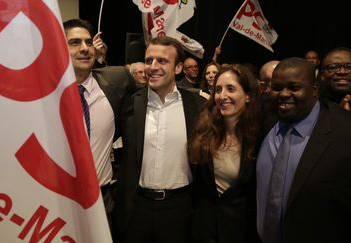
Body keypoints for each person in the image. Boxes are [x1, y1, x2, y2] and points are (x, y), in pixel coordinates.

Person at [113, 36, 201, 243]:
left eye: (162, 61)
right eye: (148, 60)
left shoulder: (196, 106)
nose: (152, 67)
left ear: (178, 68)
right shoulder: (129, 105)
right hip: (137, 209)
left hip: (179, 209)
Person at [257, 57, 351, 243]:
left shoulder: (344, 132)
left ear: (315, 89)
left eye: (294, 87)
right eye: (276, 88)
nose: (283, 94)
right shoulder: (264, 117)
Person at [62, 18, 133, 230]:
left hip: (102, 200)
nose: (84, 48)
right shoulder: (42, 98)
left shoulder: (116, 81)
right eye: (74, 42)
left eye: (88, 42)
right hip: (58, 201)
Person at [188, 64, 262, 243]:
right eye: (218, 90)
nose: (222, 96)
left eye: (231, 89)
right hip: (203, 230)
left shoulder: (261, 136)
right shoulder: (203, 129)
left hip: (240, 231)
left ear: (248, 96)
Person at [319, 47, 351, 111]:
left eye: (349, 67)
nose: (342, 72)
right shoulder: (310, 106)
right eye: (333, 67)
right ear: (322, 75)